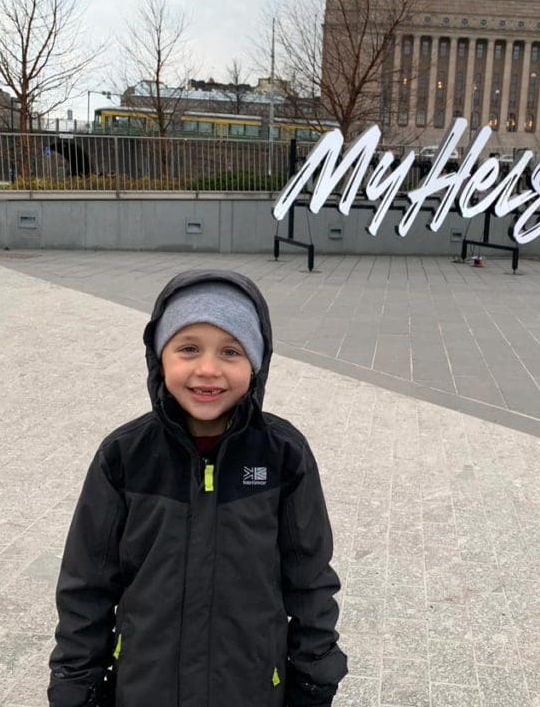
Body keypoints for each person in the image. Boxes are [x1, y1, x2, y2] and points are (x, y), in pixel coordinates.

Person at [48, 270, 347, 707]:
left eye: (230, 351)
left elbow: (309, 579)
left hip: (251, 687)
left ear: (256, 363)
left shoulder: (283, 456)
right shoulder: (124, 457)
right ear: (159, 357)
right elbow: (86, 585)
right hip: (146, 688)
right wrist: (76, 684)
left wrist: (315, 674)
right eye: (188, 348)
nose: (208, 369)